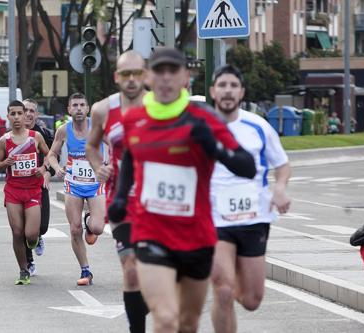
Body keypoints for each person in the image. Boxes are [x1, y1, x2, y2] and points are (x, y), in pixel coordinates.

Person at [108, 47, 256, 333]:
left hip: (196, 237)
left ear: (186, 77)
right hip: (150, 233)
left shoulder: (204, 119)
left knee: (187, 324)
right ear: (149, 77)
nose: (165, 78)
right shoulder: (134, 119)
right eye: (159, 71)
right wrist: (120, 196)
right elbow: (130, 156)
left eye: (172, 72)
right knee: (165, 320)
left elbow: (246, 165)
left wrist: (213, 147)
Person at [208, 65, 291, 333]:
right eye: (222, 85)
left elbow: (283, 165)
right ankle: (225, 293)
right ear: (213, 91)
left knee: (252, 300)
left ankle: (231, 292)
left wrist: (279, 188)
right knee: (222, 290)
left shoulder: (258, 126)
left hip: (254, 217)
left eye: (233, 85)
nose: (227, 90)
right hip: (215, 218)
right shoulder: (201, 128)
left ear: (242, 92)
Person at [86, 50, 149, 333]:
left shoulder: (161, 106)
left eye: (137, 73)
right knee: (131, 269)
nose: (132, 79)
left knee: (156, 272)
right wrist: (100, 167)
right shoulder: (102, 109)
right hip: (121, 199)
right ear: (117, 77)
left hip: (158, 201)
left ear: (146, 75)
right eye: (126, 74)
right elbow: (91, 146)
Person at [48, 93, 106, 286]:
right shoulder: (63, 130)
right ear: (69, 110)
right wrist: (57, 168)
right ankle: (85, 270)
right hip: (73, 183)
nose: (79, 108)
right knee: (74, 229)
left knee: (97, 228)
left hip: (95, 183)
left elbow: (115, 146)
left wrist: (109, 164)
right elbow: (51, 155)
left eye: (82, 105)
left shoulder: (97, 127)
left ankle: (89, 220)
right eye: (75, 105)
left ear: (88, 109)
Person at [0, 100, 51, 285]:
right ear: (8, 116)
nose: (18, 117)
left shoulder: (35, 137)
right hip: (13, 191)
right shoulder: (4, 140)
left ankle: (34, 242)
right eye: (13, 113)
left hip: (33, 190)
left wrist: (43, 169)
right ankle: (23, 270)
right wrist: (6, 163)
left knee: (31, 234)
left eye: (20, 113)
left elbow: (49, 156)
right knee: (17, 232)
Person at [23, 98, 55, 276]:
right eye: (25, 110)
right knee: (22, 228)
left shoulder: (44, 133)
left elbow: (53, 153)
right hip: (19, 187)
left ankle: (39, 236)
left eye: (31, 111)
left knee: (41, 227)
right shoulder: (13, 133)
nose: (28, 114)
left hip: (39, 184)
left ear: (36, 114)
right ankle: (29, 262)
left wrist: (48, 172)